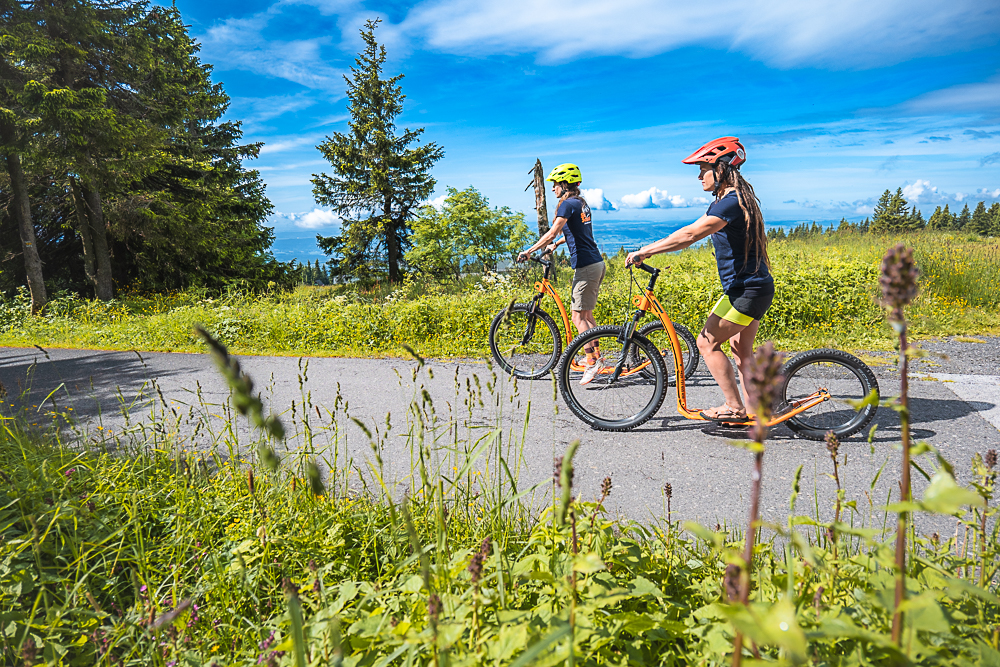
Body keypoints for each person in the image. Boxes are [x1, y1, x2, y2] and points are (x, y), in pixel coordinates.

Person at [625, 137, 774, 422]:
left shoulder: (730, 203)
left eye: (703, 168)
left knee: (706, 343)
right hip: (756, 287)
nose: (698, 176)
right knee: (741, 350)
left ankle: (734, 408)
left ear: (721, 168)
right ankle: (757, 411)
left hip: (746, 291)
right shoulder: (737, 200)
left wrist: (644, 251)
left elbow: (690, 235)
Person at [517, 163, 606, 384]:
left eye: (555, 184)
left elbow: (553, 230)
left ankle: (592, 362)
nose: (553, 189)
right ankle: (598, 357)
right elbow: (574, 232)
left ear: (565, 184)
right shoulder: (580, 203)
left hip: (585, 266)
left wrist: (529, 251)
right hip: (596, 263)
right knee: (587, 316)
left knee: (577, 317)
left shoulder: (567, 205)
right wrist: (556, 245)